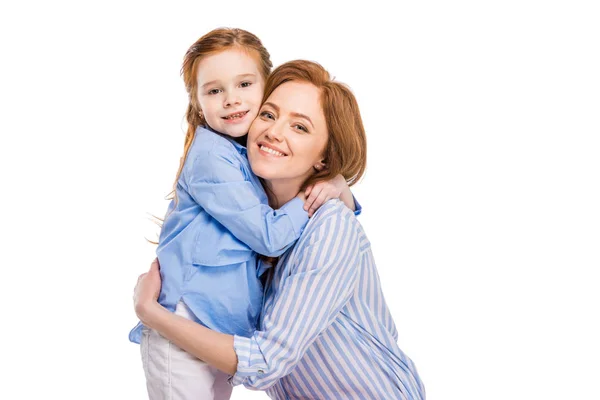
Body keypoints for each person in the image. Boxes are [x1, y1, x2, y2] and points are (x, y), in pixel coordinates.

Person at [134, 60, 426, 400]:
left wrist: (153, 314)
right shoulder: (254, 223)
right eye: (269, 115)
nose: (274, 132)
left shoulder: (329, 227)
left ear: (324, 158)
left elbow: (265, 362)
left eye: (300, 128)